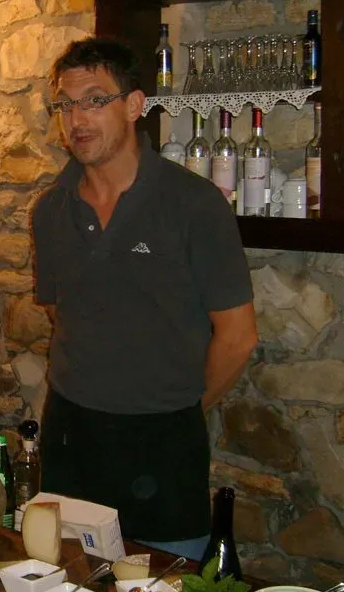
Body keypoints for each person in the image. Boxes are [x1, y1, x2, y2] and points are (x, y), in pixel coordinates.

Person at [31, 38, 258, 560]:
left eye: (94, 99)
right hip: (71, 433)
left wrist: (178, 407)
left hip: (163, 447)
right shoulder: (51, 211)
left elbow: (239, 338)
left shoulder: (195, 205)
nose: (76, 119)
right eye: (65, 105)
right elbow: (61, 312)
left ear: (134, 106)